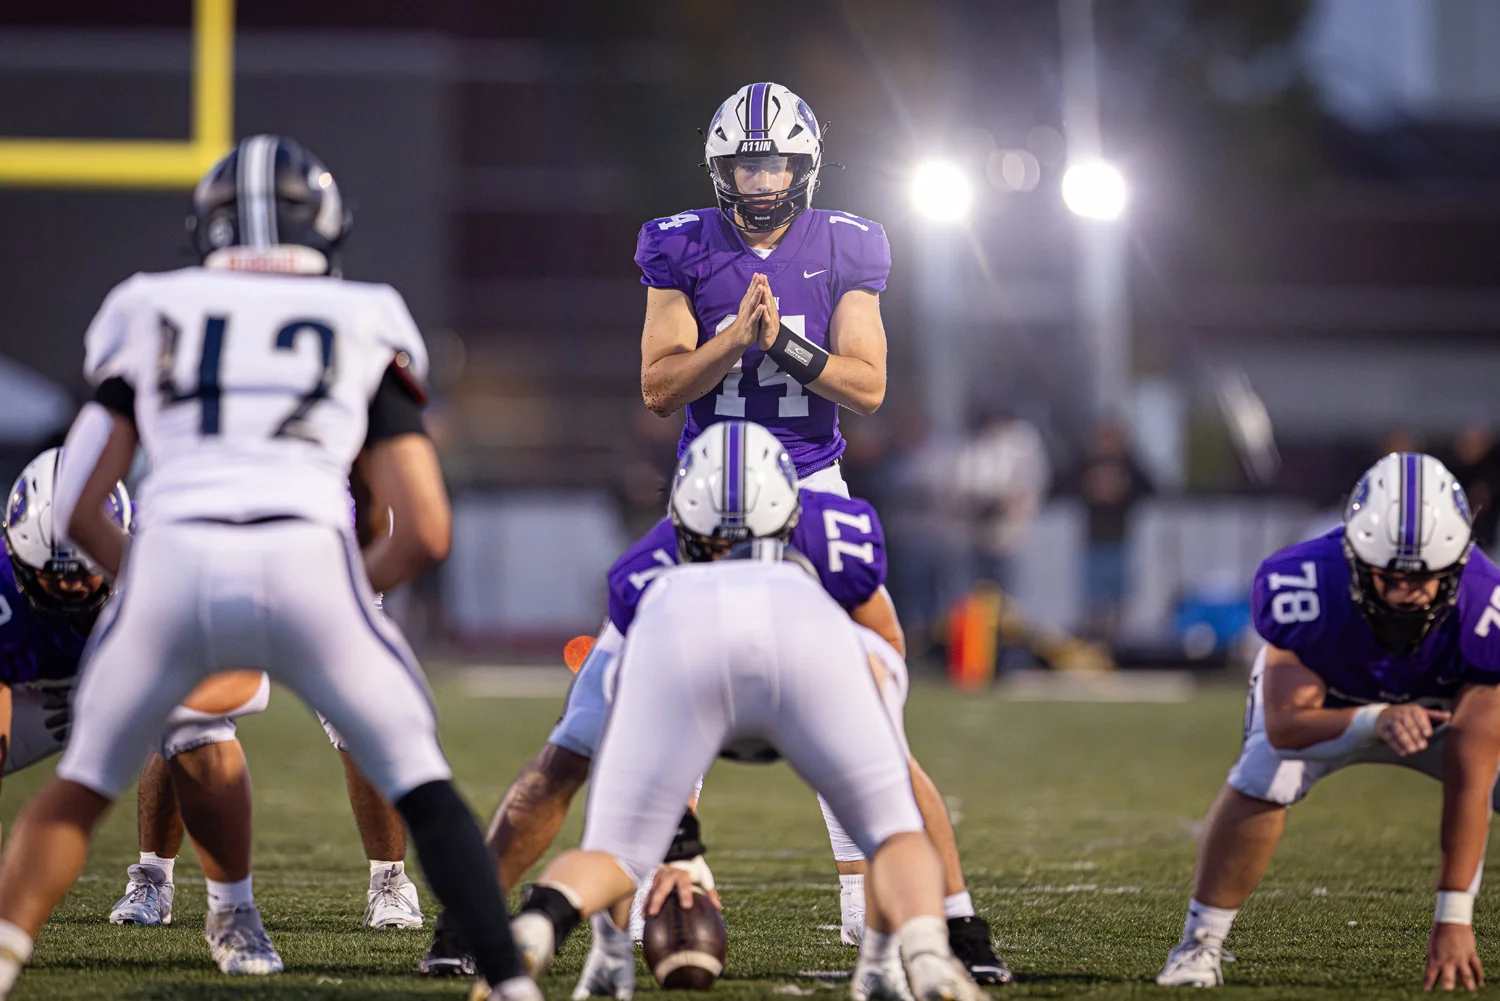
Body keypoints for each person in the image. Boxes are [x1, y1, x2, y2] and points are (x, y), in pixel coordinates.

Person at [0, 135, 538, 1001]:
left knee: (78, 786)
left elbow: (75, 505)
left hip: (175, 548)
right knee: (426, 785)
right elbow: (427, 530)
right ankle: (512, 987)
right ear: (324, 225)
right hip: (305, 553)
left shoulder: (146, 305)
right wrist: (343, 594)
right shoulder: (366, 315)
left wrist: (144, 584)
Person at [421, 422, 1011, 986]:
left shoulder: (652, 563)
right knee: (894, 807)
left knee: (592, 804)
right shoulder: (834, 532)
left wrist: (680, 842)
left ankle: (558, 933)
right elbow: (884, 647)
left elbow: (633, 700)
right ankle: (935, 941)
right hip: (801, 654)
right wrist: (869, 706)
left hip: (681, 649)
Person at [1157, 453, 1500, 992]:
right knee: (1263, 775)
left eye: (1424, 578)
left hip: (1442, 707)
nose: (1404, 593)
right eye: (1388, 575)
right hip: (1331, 703)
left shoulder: (1487, 608)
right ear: (1356, 554)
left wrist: (1453, 917)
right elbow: (1286, 726)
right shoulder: (1304, 581)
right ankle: (1199, 944)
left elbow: (1472, 771)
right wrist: (1376, 718)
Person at [3, 449, 280, 972]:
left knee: (201, 726)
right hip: (39, 699)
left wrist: (140, 697)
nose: (68, 588)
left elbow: (246, 679)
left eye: (81, 574)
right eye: (51, 576)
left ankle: (233, 914)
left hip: (130, 689)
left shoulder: (167, 566)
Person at [638, 80, 889, 496]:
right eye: (748, 166)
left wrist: (782, 344)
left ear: (801, 167)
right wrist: (734, 340)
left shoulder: (844, 243)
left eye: (775, 164)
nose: (761, 181)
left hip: (810, 474)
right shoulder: (681, 244)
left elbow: (868, 390)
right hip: (710, 479)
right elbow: (658, 392)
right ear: (724, 169)